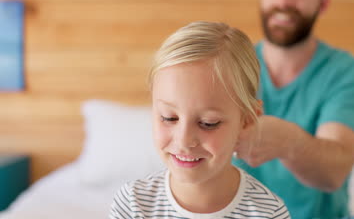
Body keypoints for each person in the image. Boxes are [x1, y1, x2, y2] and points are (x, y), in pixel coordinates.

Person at [232, 0, 354, 218]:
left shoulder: (349, 74)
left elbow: (334, 172)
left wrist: (287, 142)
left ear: (323, 2)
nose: (283, 1)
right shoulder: (227, 69)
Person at [108, 21, 290, 219]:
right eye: (169, 118)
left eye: (207, 123)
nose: (184, 140)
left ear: (246, 121)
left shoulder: (268, 213)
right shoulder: (133, 204)